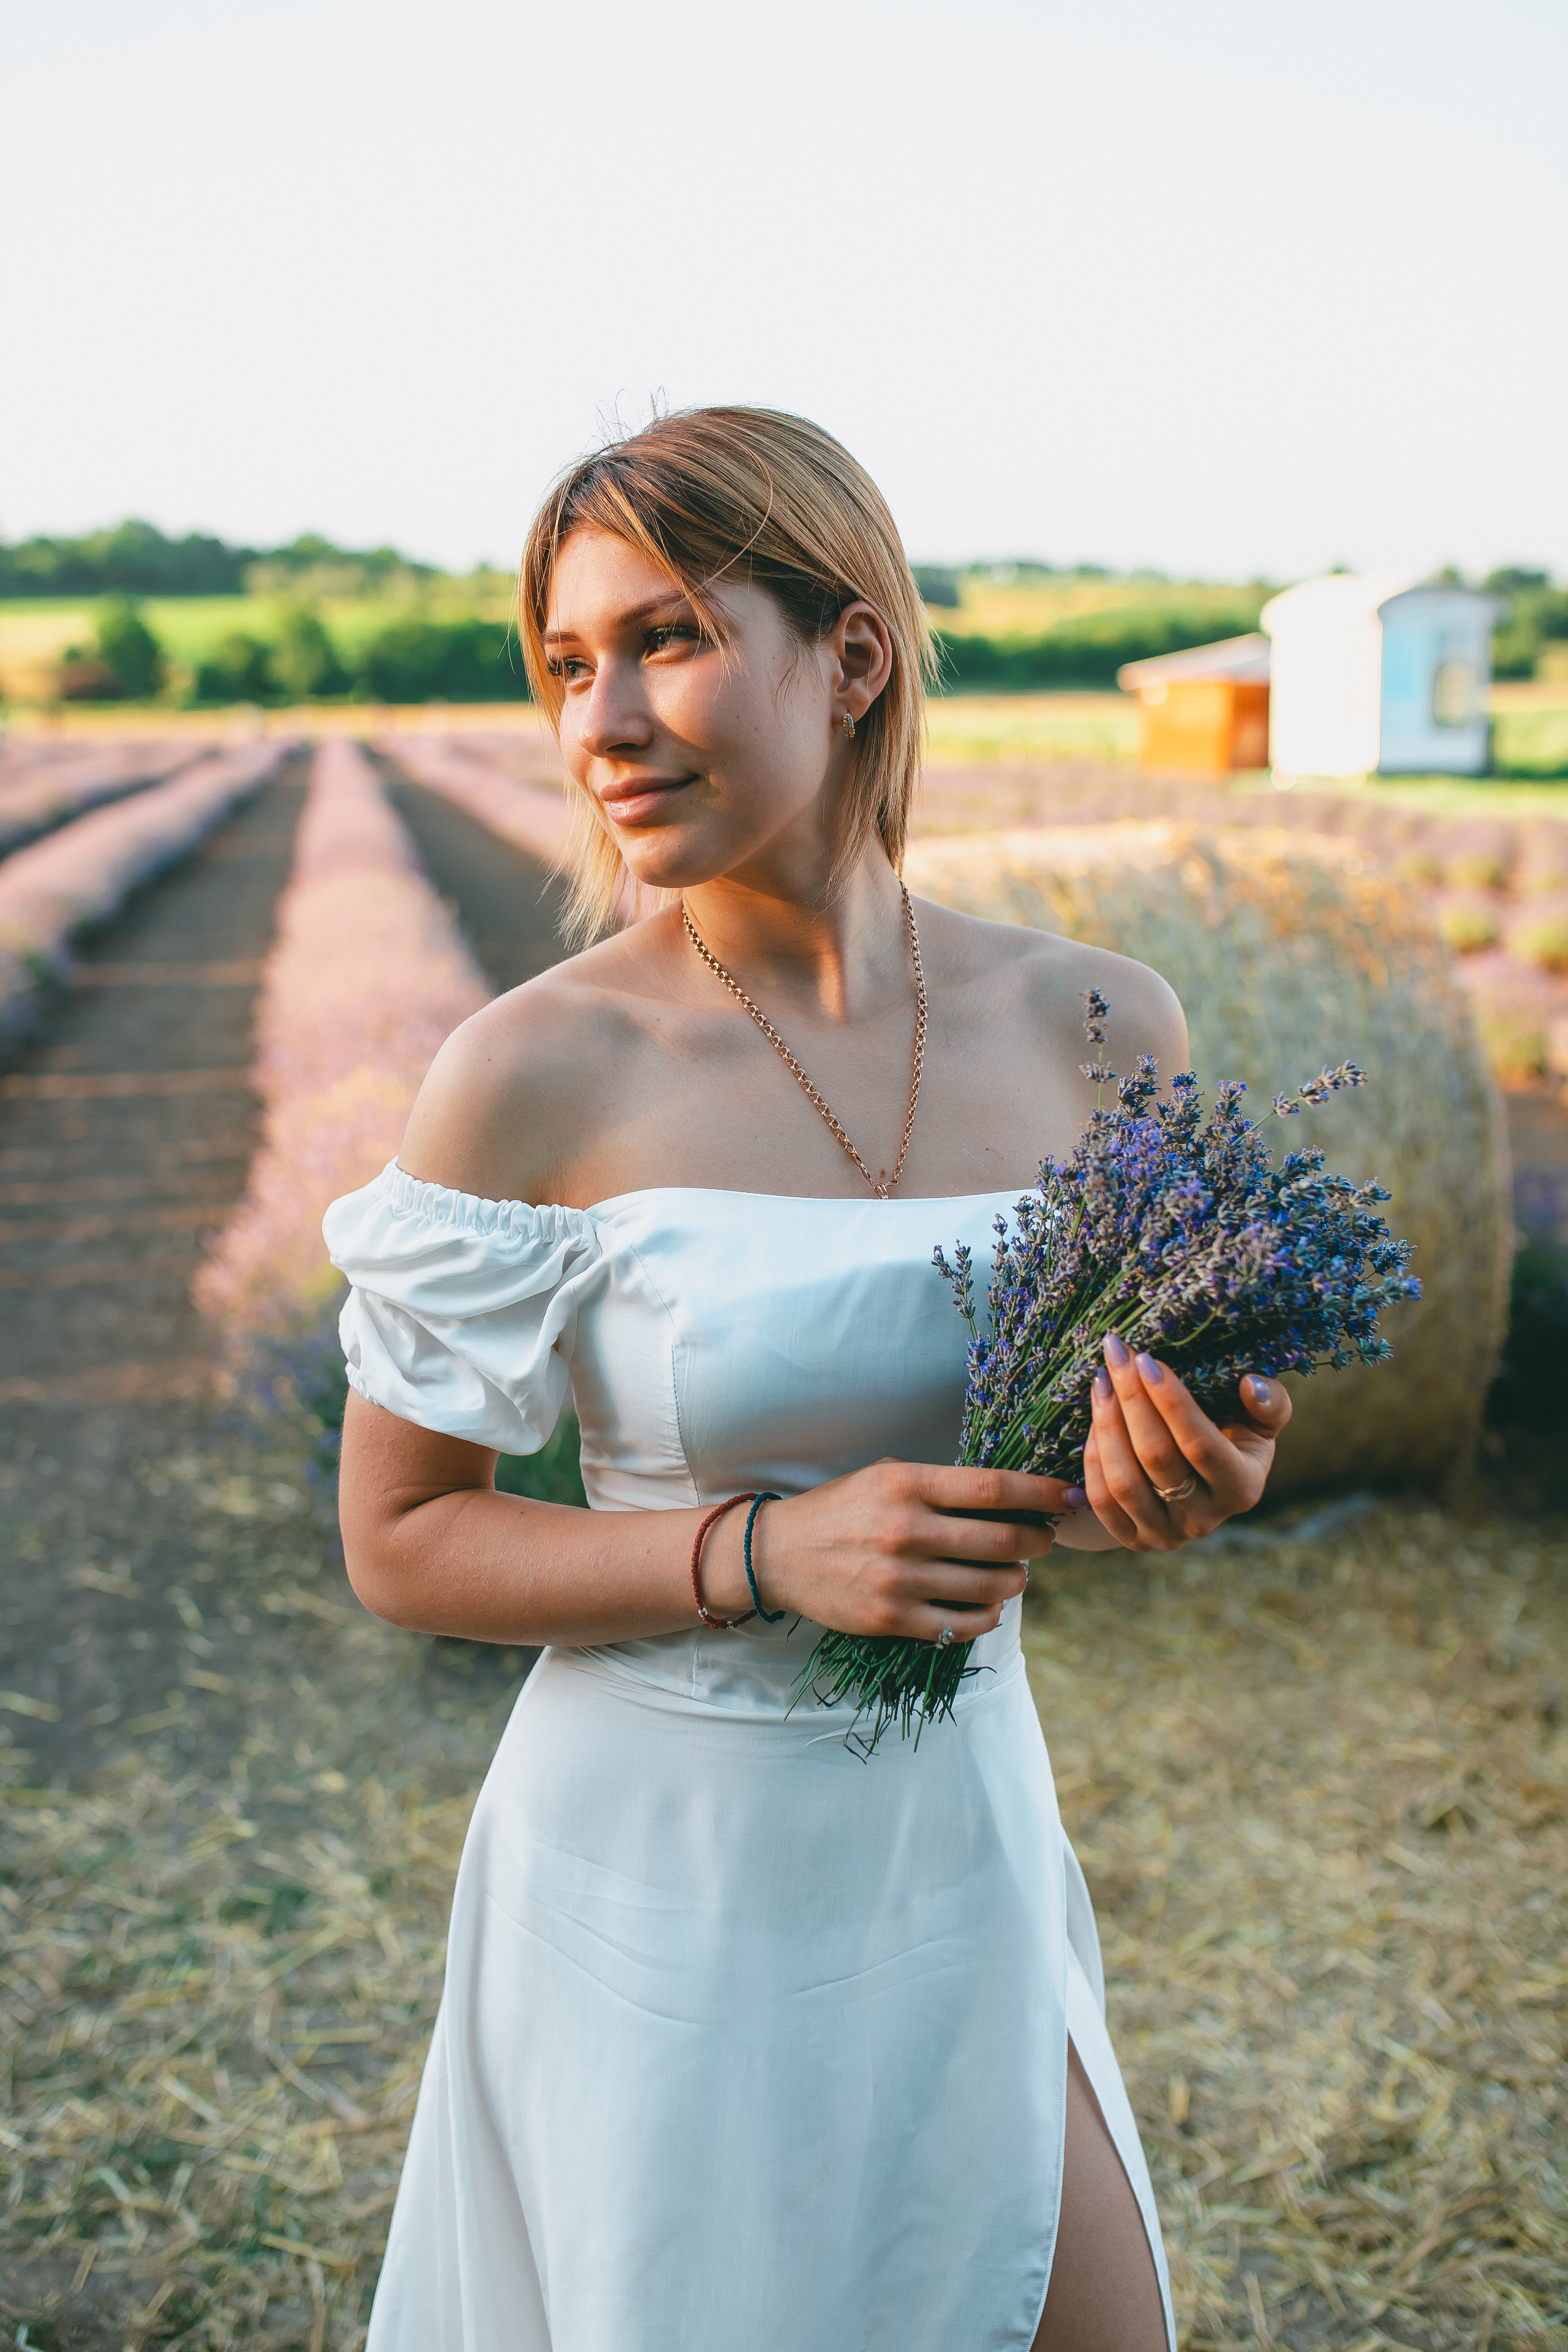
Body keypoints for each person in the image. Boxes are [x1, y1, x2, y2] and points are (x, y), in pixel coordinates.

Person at [325, 407, 1291, 2351]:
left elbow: (1174, 1419)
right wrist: (762, 1555)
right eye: (568, 664)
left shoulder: (1102, 1023)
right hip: (659, 1884)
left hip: (965, 1835)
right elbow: (403, 1541)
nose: (600, 719)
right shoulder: (533, 1071)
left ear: (850, 658)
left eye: (666, 638)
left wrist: (1197, 1473)